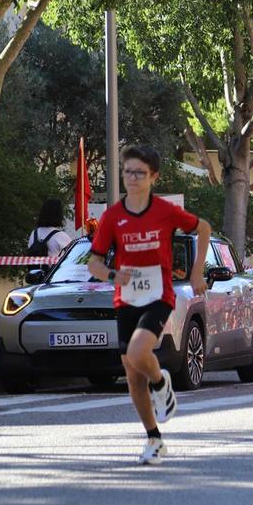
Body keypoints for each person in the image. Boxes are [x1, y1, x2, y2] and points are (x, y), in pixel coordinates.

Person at [87, 145, 212, 465]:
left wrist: (197, 271)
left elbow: (203, 228)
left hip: (159, 295)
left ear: (153, 177)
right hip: (126, 298)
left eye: (139, 173)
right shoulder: (112, 216)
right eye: (128, 171)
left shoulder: (165, 211)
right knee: (132, 375)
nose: (132, 178)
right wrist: (113, 274)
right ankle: (154, 439)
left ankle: (160, 382)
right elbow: (94, 263)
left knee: (138, 352)